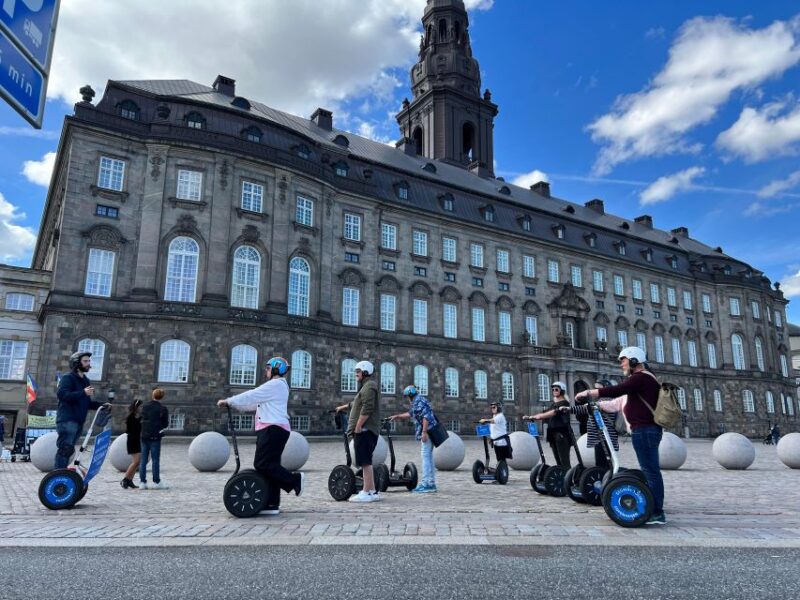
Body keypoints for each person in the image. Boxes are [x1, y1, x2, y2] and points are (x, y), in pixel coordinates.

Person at [575, 346, 666, 526]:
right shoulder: (642, 379)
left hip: (645, 430)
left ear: (634, 360)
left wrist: (589, 393)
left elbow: (616, 390)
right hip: (644, 430)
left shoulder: (641, 378)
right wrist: (600, 405)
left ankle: (656, 512)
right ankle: (653, 508)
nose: (621, 365)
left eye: (623, 360)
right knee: (650, 471)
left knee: (651, 472)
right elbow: (618, 400)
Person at [217, 357, 303, 514]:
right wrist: (233, 405)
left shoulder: (276, 384)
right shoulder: (278, 386)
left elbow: (252, 394)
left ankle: (294, 480)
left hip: (273, 428)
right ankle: (271, 503)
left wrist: (229, 400)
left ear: (277, 369)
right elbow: (253, 403)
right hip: (274, 428)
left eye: (268, 368)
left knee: (263, 464)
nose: (266, 371)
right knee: (270, 465)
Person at [335, 360, 381, 503]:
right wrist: (342, 407)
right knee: (366, 460)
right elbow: (357, 403)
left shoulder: (369, 387)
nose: (356, 374)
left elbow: (367, 407)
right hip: (365, 430)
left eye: (358, 372)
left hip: (365, 430)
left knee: (364, 461)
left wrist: (358, 426)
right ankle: (372, 491)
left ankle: (366, 492)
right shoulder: (366, 387)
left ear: (365, 372)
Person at [55, 351, 110, 469]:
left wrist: (101, 405)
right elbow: (62, 395)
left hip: (79, 421)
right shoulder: (67, 378)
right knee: (65, 449)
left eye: (89, 361)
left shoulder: (85, 381)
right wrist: (82, 392)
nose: (88, 363)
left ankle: (63, 475)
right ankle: (57, 475)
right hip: (67, 420)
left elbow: (86, 402)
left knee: (69, 450)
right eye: (85, 361)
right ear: (76, 363)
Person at [389, 385, 439, 493]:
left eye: (407, 396)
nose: (407, 398)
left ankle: (427, 483)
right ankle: (431, 482)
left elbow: (426, 416)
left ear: (410, 395)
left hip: (428, 432)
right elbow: (411, 413)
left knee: (426, 456)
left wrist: (424, 432)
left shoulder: (419, 401)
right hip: (428, 431)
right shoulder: (418, 401)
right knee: (428, 457)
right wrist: (398, 416)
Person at [563, 380, 620, 470]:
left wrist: (570, 408)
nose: (595, 390)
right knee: (602, 462)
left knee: (602, 463)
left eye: (598, 388)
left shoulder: (608, 401)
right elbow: (585, 408)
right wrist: (569, 409)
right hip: (599, 438)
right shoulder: (600, 401)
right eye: (595, 388)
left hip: (605, 438)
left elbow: (586, 407)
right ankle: (605, 476)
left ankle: (606, 478)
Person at [525, 381, 571, 469]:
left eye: (556, 389)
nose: (554, 391)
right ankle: (560, 476)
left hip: (561, 434)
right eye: (553, 389)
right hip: (552, 433)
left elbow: (552, 413)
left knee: (564, 460)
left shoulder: (564, 403)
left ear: (562, 391)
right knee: (557, 459)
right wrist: (531, 417)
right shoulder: (554, 404)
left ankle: (567, 478)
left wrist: (537, 417)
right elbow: (545, 412)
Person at [139, 388, 170, 490]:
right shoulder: (162, 408)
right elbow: (165, 424)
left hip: (144, 435)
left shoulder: (145, 406)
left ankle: (142, 482)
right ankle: (156, 481)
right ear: (162, 397)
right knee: (155, 460)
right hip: (155, 436)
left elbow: (142, 419)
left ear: (153, 395)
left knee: (143, 460)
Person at [120, 400, 142, 489]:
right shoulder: (131, 417)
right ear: (137, 407)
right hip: (132, 440)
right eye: (141, 406)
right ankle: (125, 479)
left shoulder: (137, 417)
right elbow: (129, 430)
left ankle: (129, 480)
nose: (142, 408)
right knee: (135, 462)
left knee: (137, 462)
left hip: (136, 440)